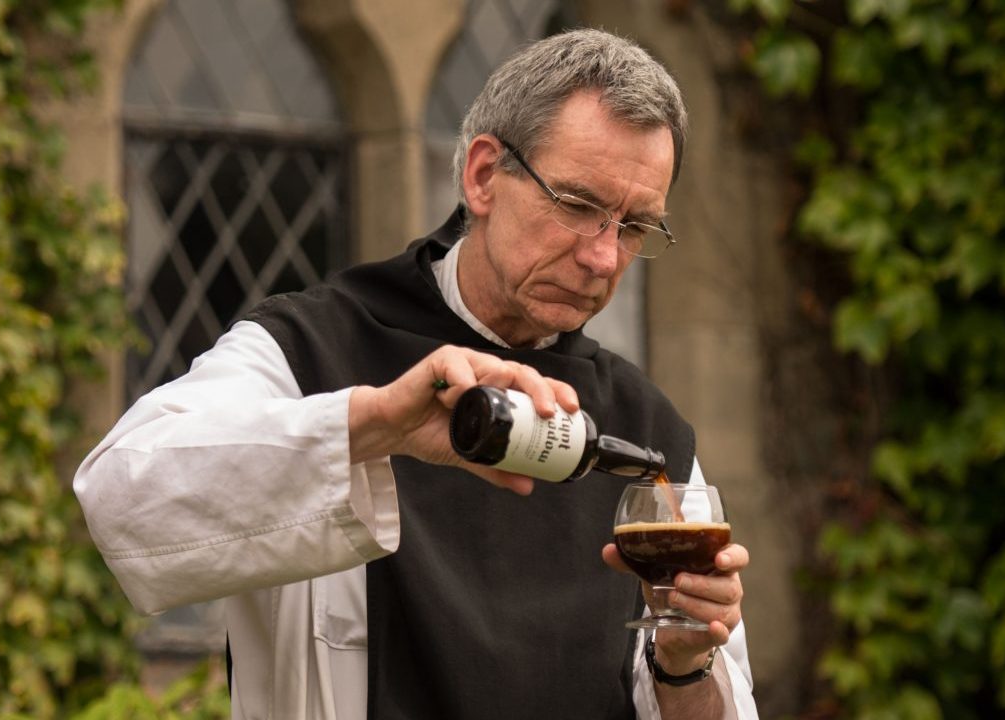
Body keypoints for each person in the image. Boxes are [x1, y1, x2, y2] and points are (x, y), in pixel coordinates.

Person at [74, 28, 757, 720]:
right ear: (484, 175)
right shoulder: (312, 350)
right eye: (579, 206)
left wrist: (683, 664)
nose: (605, 259)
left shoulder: (650, 438)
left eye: (635, 226)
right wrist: (370, 425)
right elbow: (119, 502)